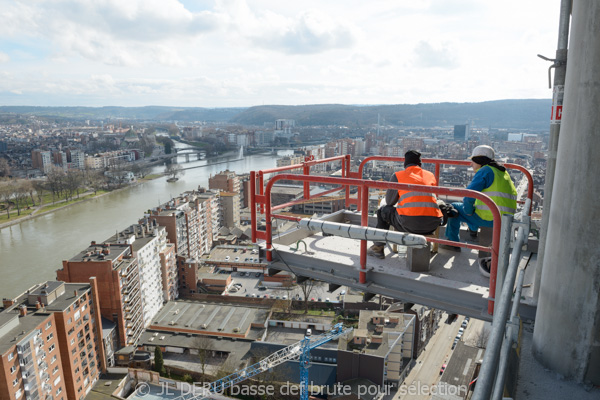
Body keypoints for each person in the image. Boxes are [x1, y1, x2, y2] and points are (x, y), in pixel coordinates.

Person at [440, 145, 517, 276]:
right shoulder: (502, 172)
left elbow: (469, 195)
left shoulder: (485, 171)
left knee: (453, 208)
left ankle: (452, 242)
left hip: (490, 217)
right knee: (469, 209)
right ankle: (473, 230)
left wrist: (468, 212)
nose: (471, 164)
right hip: (505, 218)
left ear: (479, 160)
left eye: (473, 161)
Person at [367, 150, 444, 259]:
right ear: (420, 164)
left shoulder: (398, 176)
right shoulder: (430, 175)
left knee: (382, 211)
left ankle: (377, 248)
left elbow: (389, 202)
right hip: (432, 224)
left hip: (408, 224)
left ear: (405, 164)